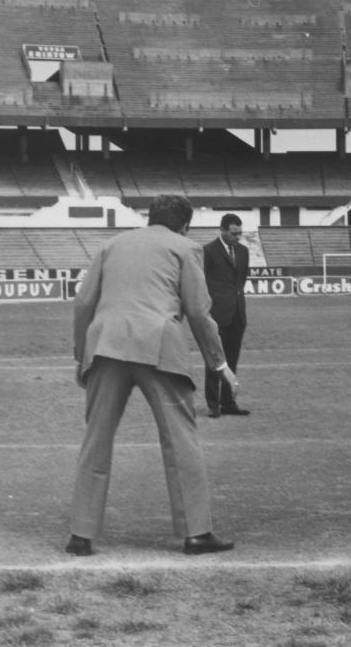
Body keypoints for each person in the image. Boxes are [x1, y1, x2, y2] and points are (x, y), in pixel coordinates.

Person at [66, 194, 239, 556]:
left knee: (96, 438)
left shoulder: (110, 245)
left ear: (150, 218)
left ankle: (81, 535)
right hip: (159, 346)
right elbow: (196, 309)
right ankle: (196, 533)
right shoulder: (186, 248)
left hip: (105, 345)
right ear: (185, 224)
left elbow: (83, 304)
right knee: (180, 440)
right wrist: (219, 363)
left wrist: (81, 354)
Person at [203, 213, 251, 418]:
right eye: (233, 233)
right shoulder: (208, 251)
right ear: (222, 230)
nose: (237, 237)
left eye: (240, 233)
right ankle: (213, 405)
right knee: (214, 361)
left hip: (237, 314)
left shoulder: (243, 251)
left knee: (232, 360)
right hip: (216, 314)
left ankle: (228, 402)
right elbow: (202, 282)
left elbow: (241, 280)